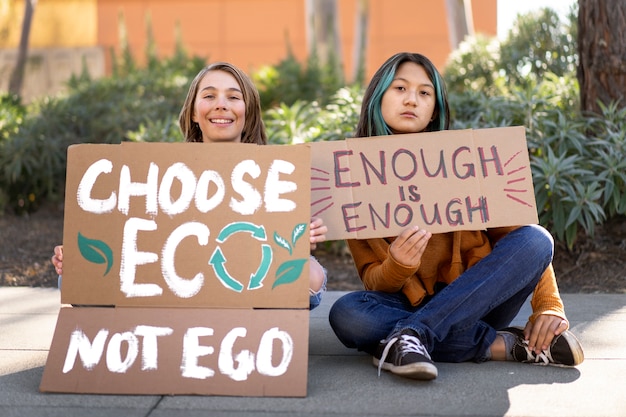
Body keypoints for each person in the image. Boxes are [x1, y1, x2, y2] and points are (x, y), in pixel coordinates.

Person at [327, 52, 584, 380]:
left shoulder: (466, 159)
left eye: (424, 93)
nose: (412, 100)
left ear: (435, 108)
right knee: (349, 315)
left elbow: (518, 234)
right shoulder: (356, 175)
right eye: (400, 88)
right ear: (378, 98)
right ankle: (503, 345)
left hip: (477, 301)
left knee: (537, 239)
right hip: (408, 304)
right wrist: (398, 264)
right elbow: (373, 280)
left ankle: (410, 337)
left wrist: (548, 305)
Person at [52, 62, 327, 310]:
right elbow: (131, 235)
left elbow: (282, 250)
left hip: (242, 280)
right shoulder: (163, 174)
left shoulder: (275, 176)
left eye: (233, 97)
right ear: (194, 113)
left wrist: (300, 238)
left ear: (248, 111)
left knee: (312, 278)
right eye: (209, 96)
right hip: (177, 278)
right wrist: (78, 255)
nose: (221, 104)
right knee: (73, 277)